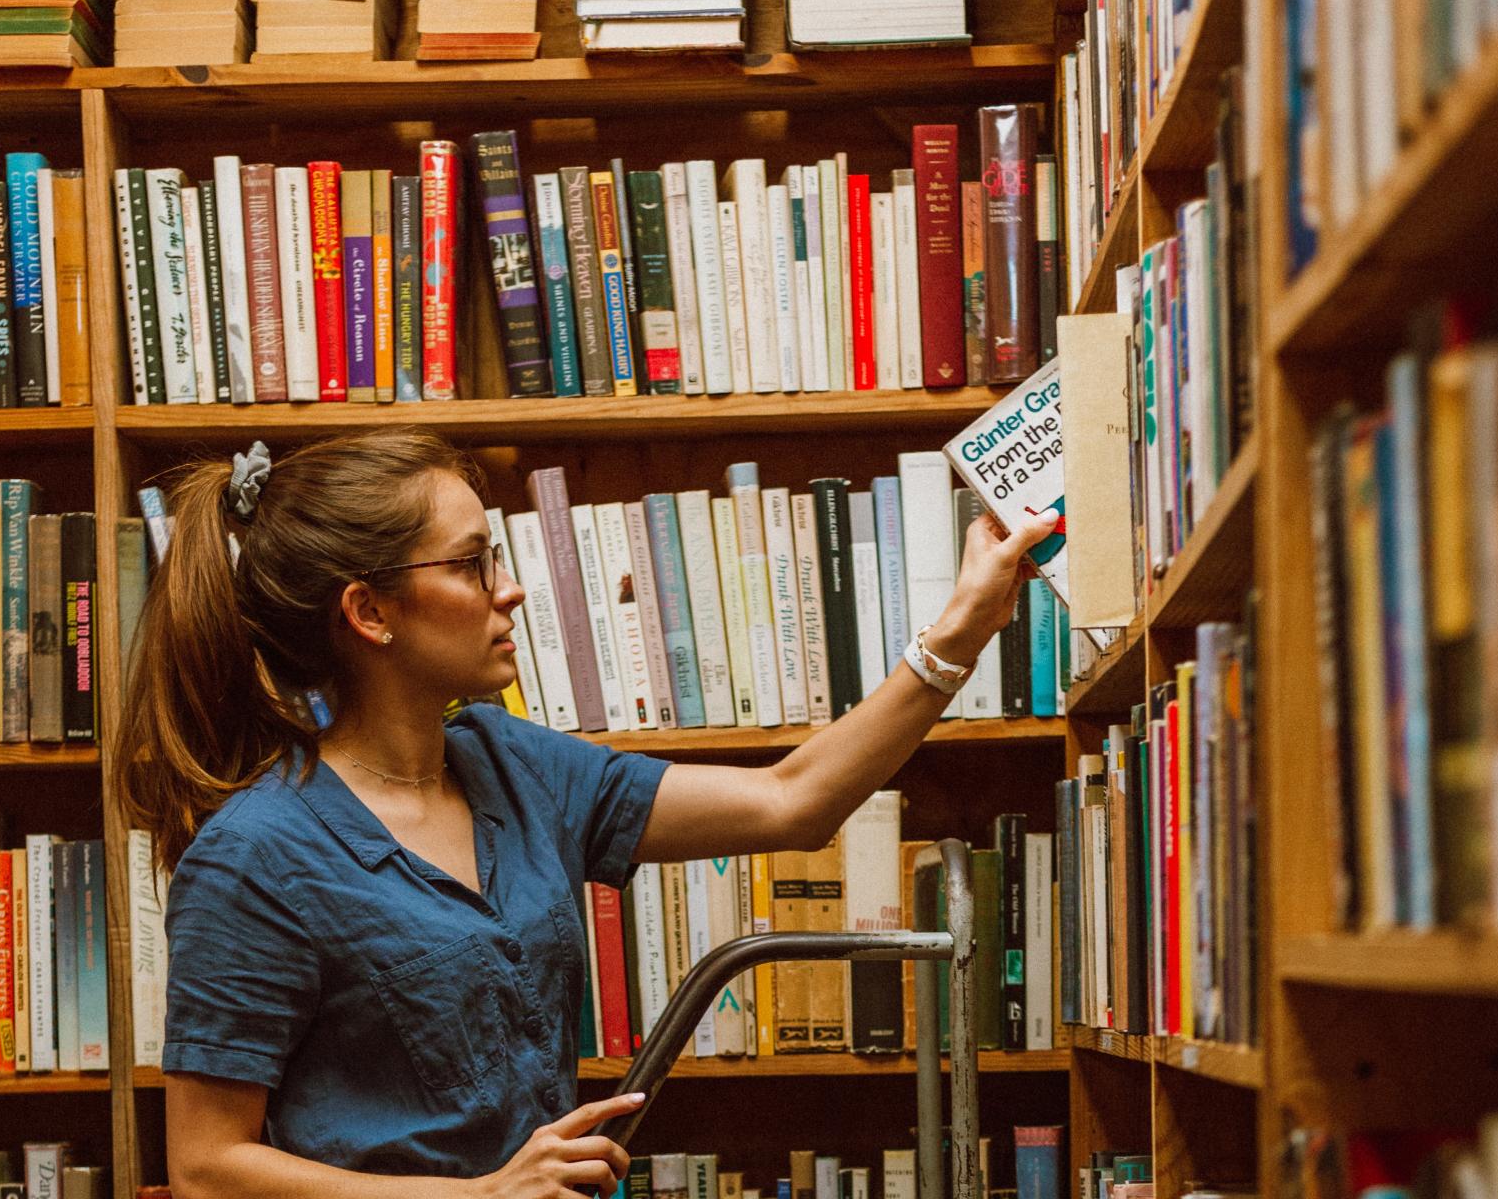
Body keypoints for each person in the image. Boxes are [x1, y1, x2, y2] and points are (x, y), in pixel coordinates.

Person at [118, 428, 1055, 1199]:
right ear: (369, 612)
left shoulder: (512, 763)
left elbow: (791, 801)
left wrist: (960, 630)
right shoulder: (254, 855)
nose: (510, 589)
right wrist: (480, 1198)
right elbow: (206, 1168)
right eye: (474, 564)